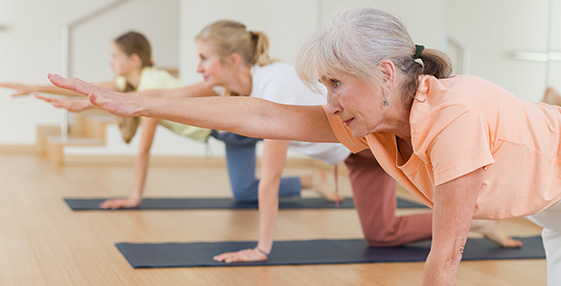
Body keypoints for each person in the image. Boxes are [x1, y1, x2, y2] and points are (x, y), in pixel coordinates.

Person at [47, 8, 561, 285]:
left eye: (336, 84)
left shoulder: (458, 112)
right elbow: (265, 116)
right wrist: (128, 98)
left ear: (384, 73)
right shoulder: (368, 118)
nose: (328, 102)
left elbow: (443, 262)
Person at [42, 20, 520, 263]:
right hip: (354, 149)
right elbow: (169, 95)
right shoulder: (239, 80)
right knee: (380, 233)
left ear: (232, 60)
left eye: (205, 58)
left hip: (365, 150)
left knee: (385, 231)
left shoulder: (270, 87)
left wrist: (263, 248)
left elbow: (267, 167)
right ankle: (467, 222)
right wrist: (108, 100)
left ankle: (468, 223)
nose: (200, 69)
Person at [2, 31, 335, 208]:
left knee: (252, 187)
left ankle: (310, 179)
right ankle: (309, 182)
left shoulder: (153, 86)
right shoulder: (135, 80)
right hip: (220, 133)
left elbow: (143, 148)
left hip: (231, 131)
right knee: (245, 191)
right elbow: (95, 90)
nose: (110, 64)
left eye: (115, 57)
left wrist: (135, 196)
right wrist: (32, 86)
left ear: (134, 59)